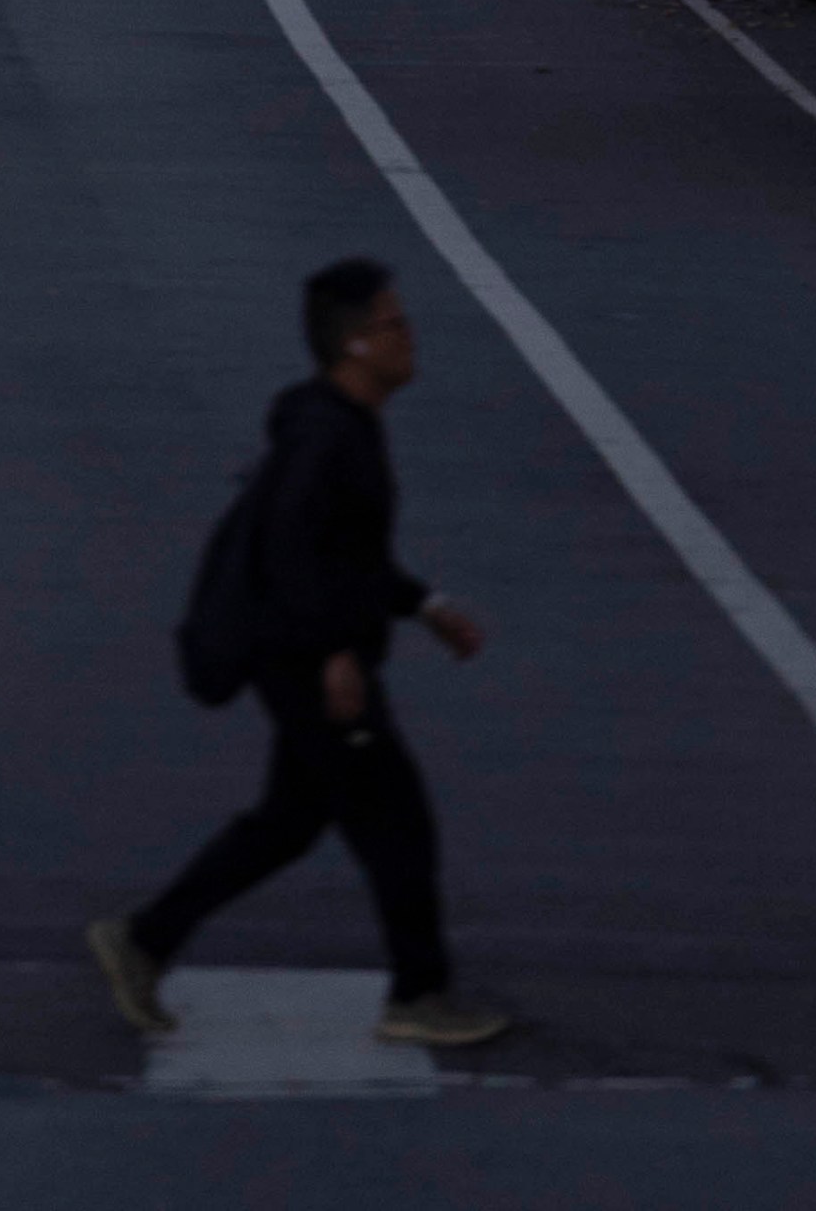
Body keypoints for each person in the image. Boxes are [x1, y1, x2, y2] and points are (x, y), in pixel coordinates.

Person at [90, 259, 507, 1056]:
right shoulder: (328, 437)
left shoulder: (337, 424)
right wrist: (336, 656)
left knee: (289, 820)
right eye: (394, 325)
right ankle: (419, 995)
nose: (410, 337)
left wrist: (424, 606)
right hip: (308, 663)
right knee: (398, 823)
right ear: (354, 344)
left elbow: (344, 553)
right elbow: (293, 553)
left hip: (303, 654)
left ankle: (143, 940)